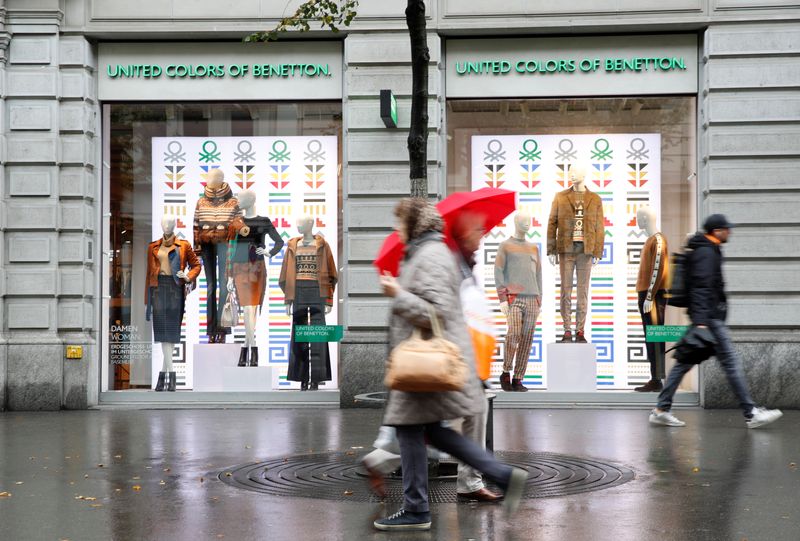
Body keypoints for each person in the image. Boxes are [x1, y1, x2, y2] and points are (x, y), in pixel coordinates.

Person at [374, 198, 527, 532]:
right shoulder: (424, 253)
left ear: (414, 224)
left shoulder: (430, 255)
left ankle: (417, 509)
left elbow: (436, 311)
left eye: (400, 224)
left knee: (418, 429)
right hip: (422, 361)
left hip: (427, 362)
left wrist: (396, 293)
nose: (396, 231)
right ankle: (497, 478)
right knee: (428, 431)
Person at [649, 214, 782, 429]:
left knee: (683, 363)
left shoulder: (708, 249)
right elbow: (701, 286)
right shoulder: (706, 252)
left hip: (705, 318)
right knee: (730, 363)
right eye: (726, 229)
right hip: (709, 320)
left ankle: (661, 409)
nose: (730, 232)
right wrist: (702, 321)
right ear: (717, 231)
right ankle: (751, 413)